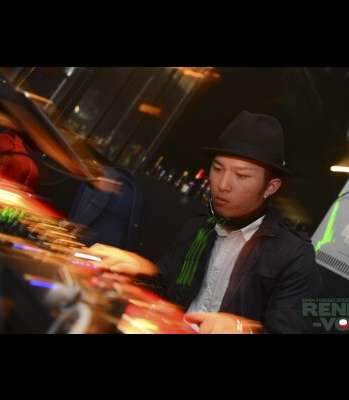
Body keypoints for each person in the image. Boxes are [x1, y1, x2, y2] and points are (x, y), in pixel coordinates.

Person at [91, 111, 322, 334]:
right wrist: (139, 271)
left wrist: (245, 331)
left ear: (270, 187)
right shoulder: (198, 229)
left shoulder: (293, 256)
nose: (223, 184)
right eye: (218, 169)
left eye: (241, 175)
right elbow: (166, 291)